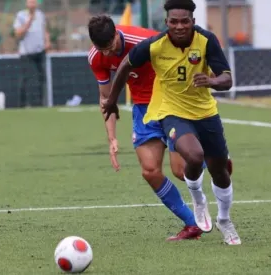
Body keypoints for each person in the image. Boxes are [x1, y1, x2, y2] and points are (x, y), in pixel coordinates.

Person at [102, 0, 241, 245]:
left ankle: (225, 220)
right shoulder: (154, 45)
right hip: (172, 112)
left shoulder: (207, 41)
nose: (179, 26)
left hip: (206, 113)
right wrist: (112, 101)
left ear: (193, 22)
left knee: (220, 172)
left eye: (184, 21)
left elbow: (227, 79)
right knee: (194, 156)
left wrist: (212, 81)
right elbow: (124, 66)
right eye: (174, 21)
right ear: (166, 23)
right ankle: (198, 200)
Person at [87, 15, 204, 241]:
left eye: (111, 47)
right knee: (150, 170)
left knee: (180, 171)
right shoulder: (96, 57)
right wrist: (111, 138)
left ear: (116, 35)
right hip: (143, 108)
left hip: (172, 102)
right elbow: (106, 99)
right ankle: (192, 224)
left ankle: (213, 158)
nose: (108, 54)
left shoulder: (145, 40)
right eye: (103, 50)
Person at [13, 0, 51, 107]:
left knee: (41, 77)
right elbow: (18, 33)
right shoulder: (20, 15)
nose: (32, 4)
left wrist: (47, 41)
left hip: (39, 51)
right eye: (30, 2)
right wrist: (29, 21)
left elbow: (44, 30)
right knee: (27, 78)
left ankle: (40, 104)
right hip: (26, 53)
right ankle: (23, 104)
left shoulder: (40, 15)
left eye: (34, 2)